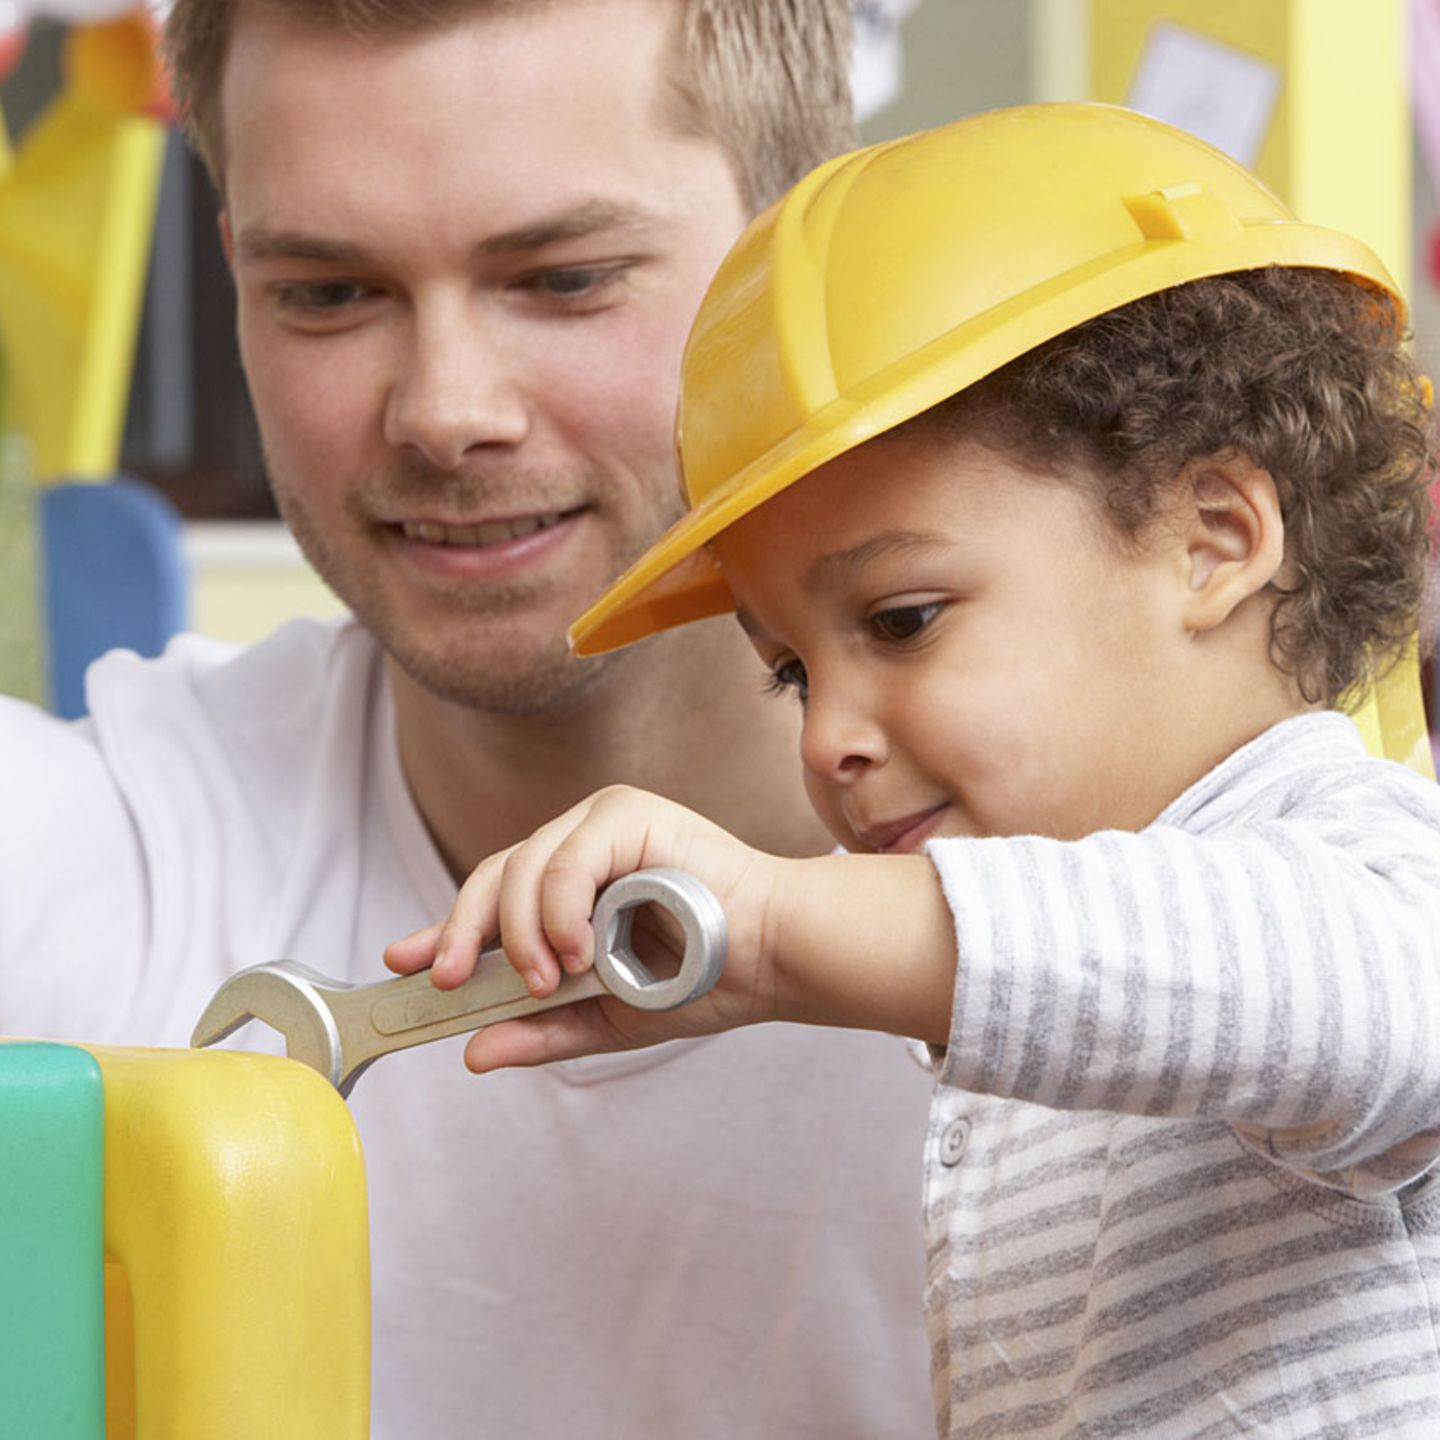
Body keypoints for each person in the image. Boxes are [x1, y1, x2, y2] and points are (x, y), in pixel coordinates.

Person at [393, 105, 1440, 1436]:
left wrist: (773, 929)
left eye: (902, 621)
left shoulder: (1371, 869)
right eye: (793, 671)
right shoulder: (1035, 1036)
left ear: (1213, 538)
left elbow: (1342, 986)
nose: (829, 736)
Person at [0, 1, 939, 1435]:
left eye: (562, 279)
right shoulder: (100, 841)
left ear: (806, 257)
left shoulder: (1202, 907)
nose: (445, 412)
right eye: (326, 293)